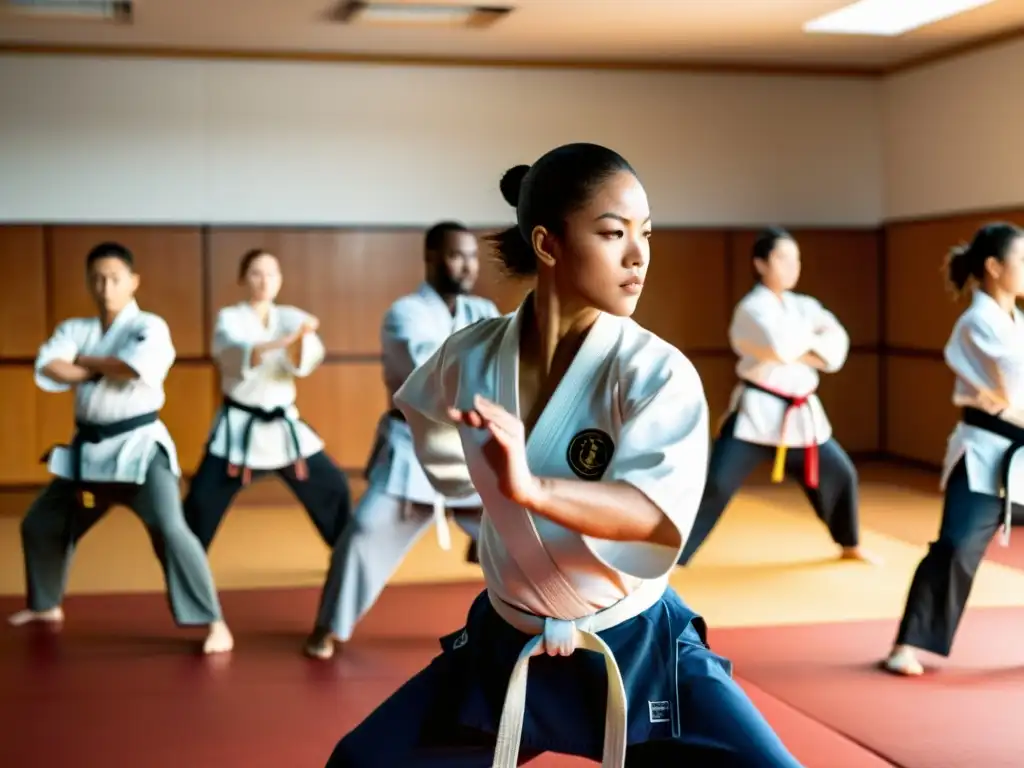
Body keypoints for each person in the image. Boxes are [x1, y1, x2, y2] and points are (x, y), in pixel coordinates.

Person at [323, 143, 802, 767]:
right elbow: (423, 416)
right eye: (613, 233)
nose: (639, 256)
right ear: (548, 245)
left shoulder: (654, 371)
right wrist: (476, 488)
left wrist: (530, 490)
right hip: (506, 644)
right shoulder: (469, 356)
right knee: (360, 762)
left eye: (646, 234)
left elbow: (653, 515)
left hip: (635, 648)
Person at [8, 242, 232, 655]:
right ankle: (45, 605)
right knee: (41, 522)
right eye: (96, 278)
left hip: (140, 451)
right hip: (88, 452)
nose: (105, 286)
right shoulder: (76, 327)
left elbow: (134, 368)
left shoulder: (149, 326)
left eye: (114, 278)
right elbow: (49, 364)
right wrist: (101, 364)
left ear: (133, 281)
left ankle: (213, 620)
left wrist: (86, 362)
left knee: (170, 528)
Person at [305, 222, 499, 660]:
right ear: (431, 257)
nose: (466, 264)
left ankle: (537, 624)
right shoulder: (405, 313)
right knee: (364, 532)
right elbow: (435, 371)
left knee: (523, 531)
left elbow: (505, 369)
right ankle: (329, 625)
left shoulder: (483, 309)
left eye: (471, 255)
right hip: (414, 447)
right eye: (455, 255)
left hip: (471, 449)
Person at [183, 249, 352, 650]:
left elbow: (303, 361)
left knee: (336, 490)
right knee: (197, 513)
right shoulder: (230, 318)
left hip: (283, 431)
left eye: (270, 273)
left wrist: (298, 339)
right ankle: (201, 610)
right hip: (238, 433)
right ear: (244, 278)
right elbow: (245, 353)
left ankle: (345, 591)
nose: (263, 280)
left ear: (279, 279)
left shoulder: (290, 315)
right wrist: (294, 336)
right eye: (255, 273)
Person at [677, 227, 873, 566]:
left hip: (802, 415)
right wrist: (810, 342)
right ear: (761, 263)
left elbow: (836, 348)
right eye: (783, 258)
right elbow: (778, 346)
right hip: (757, 413)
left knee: (840, 473)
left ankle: (850, 543)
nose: (793, 266)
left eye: (796, 259)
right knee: (718, 484)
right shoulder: (751, 309)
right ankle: (676, 557)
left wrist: (804, 346)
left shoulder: (805, 305)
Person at [884, 222, 1024, 677]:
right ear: (994, 267)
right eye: (1021, 260)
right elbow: (1011, 384)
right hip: (985, 450)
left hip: (1018, 450)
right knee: (957, 544)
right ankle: (907, 643)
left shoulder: (1016, 321)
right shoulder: (975, 322)